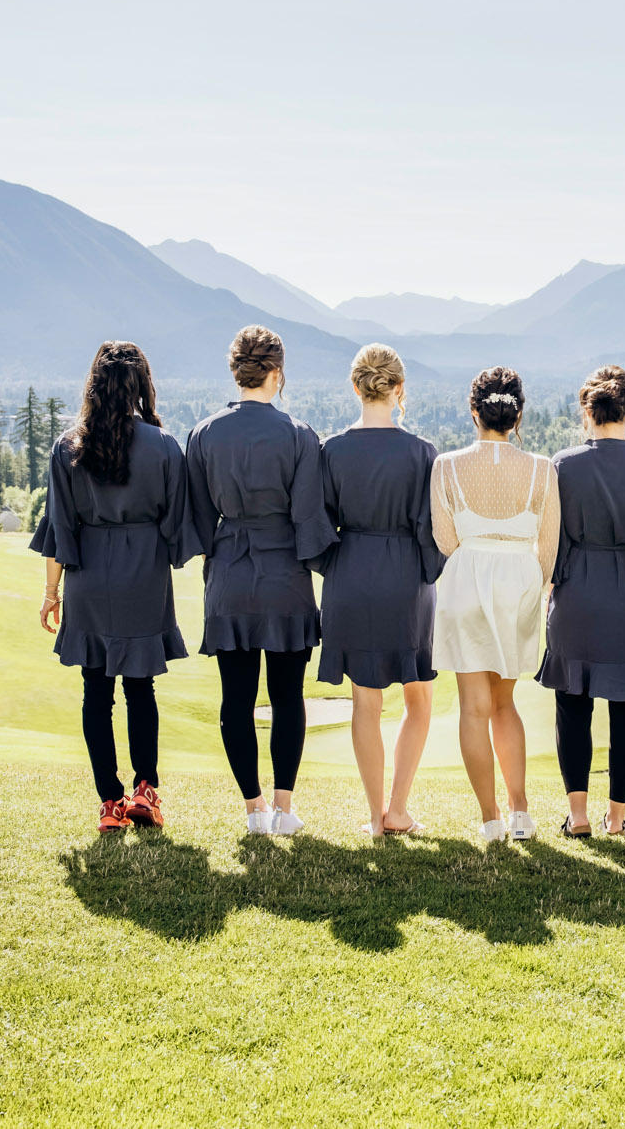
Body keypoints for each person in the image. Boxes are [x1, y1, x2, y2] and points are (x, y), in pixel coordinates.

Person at [32, 341, 201, 835]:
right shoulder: (165, 446)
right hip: (144, 575)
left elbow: (59, 529)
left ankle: (110, 802)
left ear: (95, 385)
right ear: (142, 385)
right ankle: (146, 790)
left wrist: (50, 594)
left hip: (88, 578)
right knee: (140, 689)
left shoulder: (68, 447)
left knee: (94, 692)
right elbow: (177, 528)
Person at [185, 325, 335, 836]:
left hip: (228, 574)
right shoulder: (299, 434)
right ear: (277, 372)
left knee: (236, 700)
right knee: (288, 695)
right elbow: (311, 521)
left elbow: (200, 524)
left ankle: (254, 812)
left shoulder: (203, 434)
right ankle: (284, 807)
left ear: (237, 370)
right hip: (286, 575)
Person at [317, 344, 443, 836]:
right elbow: (432, 532)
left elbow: (317, 524)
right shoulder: (422, 452)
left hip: (350, 577)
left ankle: (374, 815)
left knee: (364, 704)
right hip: (405, 581)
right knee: (419, 700)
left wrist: (340, 564)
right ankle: (398, 809)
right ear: (398, 388)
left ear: (356, 387)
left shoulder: (331, 450)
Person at [537, 365, 625, 837]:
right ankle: (616, 819)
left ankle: (579, 817)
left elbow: (549, 542)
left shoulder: (563, 464)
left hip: (578, 598)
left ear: (586, 412)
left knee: (573, 708)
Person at [431, 366, 559, 843]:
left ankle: (490, 818)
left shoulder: (445, 465)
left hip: (467, 581)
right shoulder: (543, 468)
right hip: (519, 585)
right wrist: (530, 585)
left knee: (473, 708)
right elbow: (548, 547)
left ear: (474, 411)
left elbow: (445, 541)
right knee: (506, 704)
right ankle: (520, 810)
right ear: (518, 414)